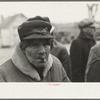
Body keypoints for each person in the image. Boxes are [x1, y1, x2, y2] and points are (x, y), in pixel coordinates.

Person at [0, 16, 70, 82]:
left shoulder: (56, 64)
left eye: (46, 44)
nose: (42, 51)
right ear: (23, 48)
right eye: (35, 45)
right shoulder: (4, 74)